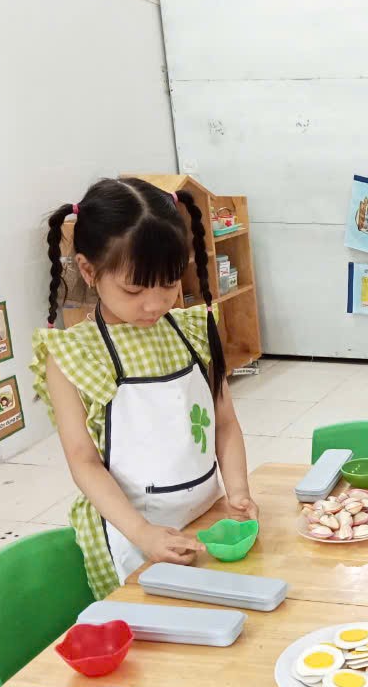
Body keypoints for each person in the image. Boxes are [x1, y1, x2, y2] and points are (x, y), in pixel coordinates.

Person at [32, 177, 257, 599]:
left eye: (169, 284)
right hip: (132, 536)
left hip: (207, 516)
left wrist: (238, 492)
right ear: (88, 270)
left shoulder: (193, 330)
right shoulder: (73, 355)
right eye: (134, 289)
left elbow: (224, 423)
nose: (155, 304)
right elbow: (84, 462)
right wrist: (143, 533)